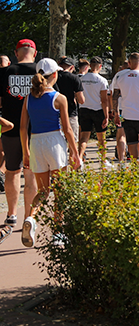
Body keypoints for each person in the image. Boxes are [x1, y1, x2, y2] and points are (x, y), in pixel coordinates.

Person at [19, 58, 81, 247]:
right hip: (54, 142)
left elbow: (23, 128)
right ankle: (58, 234)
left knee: (43, 191)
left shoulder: (28, 98)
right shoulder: (59, 98)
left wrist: (26, 152)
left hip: (36, 142)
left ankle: (30, 218)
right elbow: (68, 129)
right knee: (60, 191)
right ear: (55, 75)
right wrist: (76, 153)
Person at [0, 40, 40, 243]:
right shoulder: (41, 72)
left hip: (11, 129)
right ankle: (29, 217)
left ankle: (11, 215)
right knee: (31, 174)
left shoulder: (5, 73)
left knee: (12, 172)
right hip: (36, 131)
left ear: (16, 53)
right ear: (34, 53)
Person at [77, 57, 111, 167]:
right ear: (100, 66)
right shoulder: (102, 80)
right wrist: (106, 116)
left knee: (84, 138)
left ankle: (80, 159)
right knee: (101, 138)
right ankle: (103, 160)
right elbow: (104, 100)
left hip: (84, 109)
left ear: (90, 66)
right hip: (97, 110)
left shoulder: (81, 79)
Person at [54, 56, 85, 142]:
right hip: (70, 113)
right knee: (73, 140)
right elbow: (81, 100)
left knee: (58, 141)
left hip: (56, 113)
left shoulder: (53, 77)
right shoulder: (74, 78)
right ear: (72, 67)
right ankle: (72, 155)